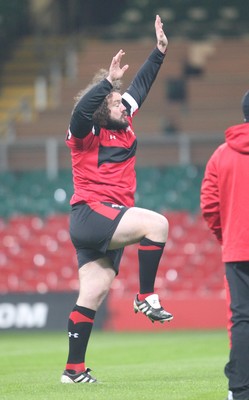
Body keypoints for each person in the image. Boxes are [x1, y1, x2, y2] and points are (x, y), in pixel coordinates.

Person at [61, 15, 173, 384]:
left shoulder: (123, 121)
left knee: (95, 290)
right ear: (101, 110)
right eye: (115, 103)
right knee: (157, 224)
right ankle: (146, 296)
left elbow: (139, 87)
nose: (124, 107)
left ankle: (73, 371)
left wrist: (158, 52)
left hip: (106, 217)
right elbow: (79, 112)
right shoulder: (86, 133)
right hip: (91, 213)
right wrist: (106, 81)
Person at [200, 90, 249, 400]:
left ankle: (240, 390)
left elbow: (209, 205)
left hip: (238, 248)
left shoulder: (222, 154)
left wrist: (227, 236)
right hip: (236, 244)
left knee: (242, 318)